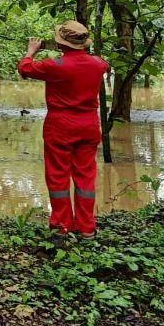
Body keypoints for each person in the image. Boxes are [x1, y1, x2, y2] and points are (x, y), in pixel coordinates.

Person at [17, 20, 109, 239]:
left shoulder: (54, 65)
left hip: (60, 128)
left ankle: (62, 225)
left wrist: (31, 51)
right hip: (88, 127)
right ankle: (87, 228)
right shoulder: (99, 63)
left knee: (58, 177)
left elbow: (24, 69)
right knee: (86, 178)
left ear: (60, 44)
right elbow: (104, 65)